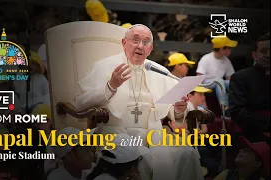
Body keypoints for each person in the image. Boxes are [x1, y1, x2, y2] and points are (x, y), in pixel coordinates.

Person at [75, 24, 204, 180]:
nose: (140, 46)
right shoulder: (104, 66)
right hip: (117, 135)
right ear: (124, 43)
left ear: (150, 49)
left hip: (153, 137)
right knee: (142, 159)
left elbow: (173, 111)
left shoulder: (158, 71)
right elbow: (81, 103)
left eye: (146, 42)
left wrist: (178, 109)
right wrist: (111, 86)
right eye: (135, 40)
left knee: (187, 153)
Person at [229, 33, 270, 143]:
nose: (268, 55)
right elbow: (237, 113)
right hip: (252, 134)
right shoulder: (241, 77)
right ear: (254, 55)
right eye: (264, 51)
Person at [196, 35, 237, 114]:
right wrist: (200, 94)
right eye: (229, 48)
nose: (230, 50)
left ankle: (238, 106)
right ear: (222, 49)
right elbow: (199, 79)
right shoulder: (206, 58)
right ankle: (225, 107)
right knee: (219, 81)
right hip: (206, 84)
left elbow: (230, 78)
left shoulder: (226, 60)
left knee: (230, 83)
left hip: (219, 84)